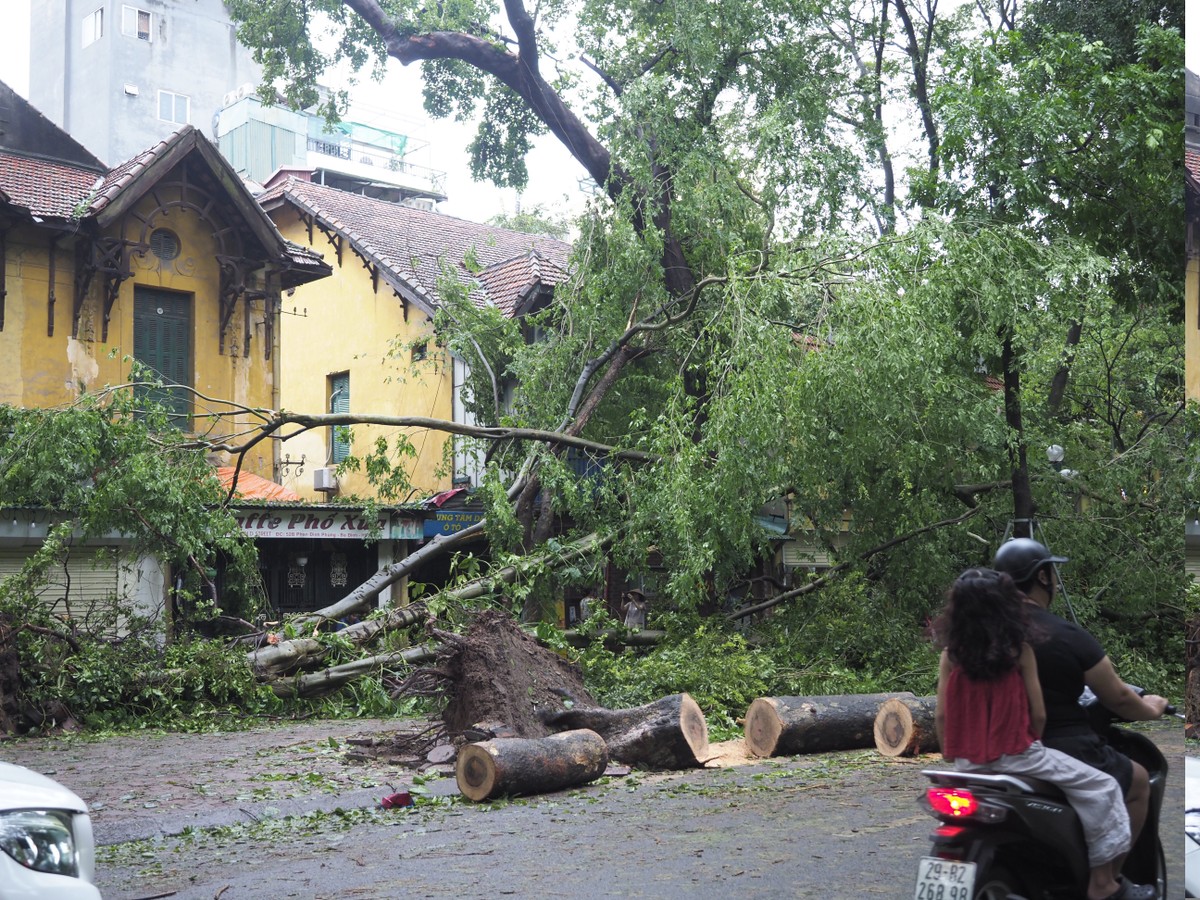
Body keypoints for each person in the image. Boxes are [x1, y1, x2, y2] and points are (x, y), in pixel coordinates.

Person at [933, 568, 1152, 900]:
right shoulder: (1020, 650)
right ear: (1005, 606)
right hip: (1021, 757)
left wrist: (952, 753)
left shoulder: (951, 655)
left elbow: (942, 714)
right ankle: (1104, 882)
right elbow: (1038, 713)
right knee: (1103, 787)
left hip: (969, 763)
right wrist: (1030, 741)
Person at [992, 538, 1168, 862]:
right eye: (1052, 573)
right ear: (1043, 577)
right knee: (1139, 781)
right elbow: (1118, 697)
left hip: (990, 747)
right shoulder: (1065, 634)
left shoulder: (980, 632)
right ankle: (1110, 880)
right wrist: (1152, 708)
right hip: (1059, 744)